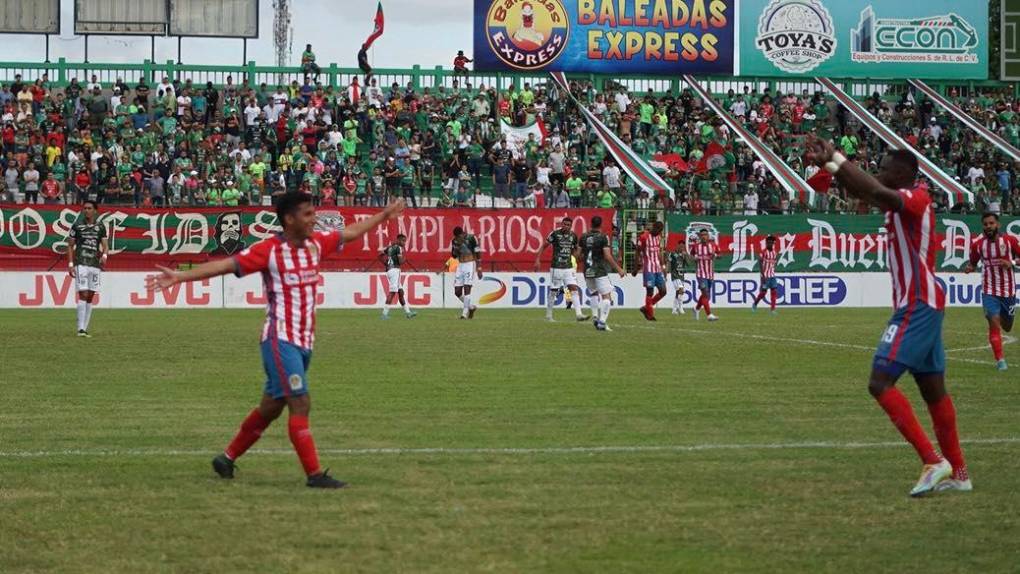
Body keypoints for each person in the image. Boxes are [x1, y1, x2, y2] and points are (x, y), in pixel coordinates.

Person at [145, 193, 406, 489]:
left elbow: (351, 232)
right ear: (289, 219)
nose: (314, 219)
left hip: (304, 341)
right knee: (300, 401)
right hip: (280, 339)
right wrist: (180, 277)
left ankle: (226, 458)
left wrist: (384, 215)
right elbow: (226, 265)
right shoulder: (268, 250)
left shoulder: (316, 244)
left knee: (271, 407)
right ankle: (315, 475)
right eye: (307, 214)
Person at [805, 138, 969, 496]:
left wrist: (837, 157)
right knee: (933, 391)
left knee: (880, 381)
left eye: (884, 168)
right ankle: (959, 472)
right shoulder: (898, 201)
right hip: (921, 301)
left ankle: (933, 460)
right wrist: (831, 166)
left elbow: (876, 192)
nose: (878, 173)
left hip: (918, 303)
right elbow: (861, 189)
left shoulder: (917, 198)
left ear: (904, 174)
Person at [965, 212, 1018, 371]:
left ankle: (1002, 316)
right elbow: (973, 262)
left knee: (1007, 326)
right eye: (986, 224)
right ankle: (1000, 360)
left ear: (998, 224)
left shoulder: (1010, 241)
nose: (988, 226)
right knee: (993, 321)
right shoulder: (978, 245)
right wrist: (970, 267)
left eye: (991, 223)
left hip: (1008, 291)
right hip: (989, 289)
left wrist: (1012, 262)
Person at [534, 216, 587, 322]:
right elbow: (544, 246)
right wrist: (537, 259)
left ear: (571, 226)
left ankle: (579, 314)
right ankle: (549, 315)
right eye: (564, 224)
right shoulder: (555, 234)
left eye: (568, 225)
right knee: (553, 291)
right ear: (561, 224)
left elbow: (575, 251)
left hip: (568, 267)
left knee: (574, 288)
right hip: (556, 267)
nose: (566, 226)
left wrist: (581, 256)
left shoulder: (573, 236)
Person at [67, 201, 107, 337]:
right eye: (85, 208)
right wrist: (71, 264)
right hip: (81, 263)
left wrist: (105, 255)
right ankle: (80, 329)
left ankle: (84, 327)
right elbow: (70, 246)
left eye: (89, 208)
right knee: (83, 294)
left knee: (90, 296)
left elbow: (105, 244)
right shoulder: (77, 226)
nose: (86, 210)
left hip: (95, 264)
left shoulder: (100, 227)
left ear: (95, 210)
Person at [580, 215, 625, 332]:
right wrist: (619, 269)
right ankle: (602, 322)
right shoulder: (603, 237)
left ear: (591, 224)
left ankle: (595, 316)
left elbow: (579, 255)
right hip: (599, 270)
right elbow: (607, 255)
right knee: (607, 296)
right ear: (601, 224)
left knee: (594, 293)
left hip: (587, 270)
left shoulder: (583, 237)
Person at [380, 234, 417, 320]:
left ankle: (408, 313)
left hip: (389, 270)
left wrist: (385, 263)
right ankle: (384, 314)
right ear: (398, 240)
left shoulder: (390, 247)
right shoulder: (399, 248)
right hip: (395, 271)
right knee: (392, 292)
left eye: (405, 241)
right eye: (403, 241)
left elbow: (380, 254)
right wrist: (404, 259)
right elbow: (400, 262)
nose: (404, 243)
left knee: (400, 292)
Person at [636, 221, 667, 321]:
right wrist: (637, 265)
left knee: (663, 291)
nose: (658, 232)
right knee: (650, 291)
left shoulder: (659, 237)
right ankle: (650, 315)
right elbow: (637, 251)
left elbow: (659, 253)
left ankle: (646, 308)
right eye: (657, 229)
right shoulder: (644, 237)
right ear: (653, 227)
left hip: (657, 268)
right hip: (648, 268)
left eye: (660, 230)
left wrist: (663, 266)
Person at [451, 226, 483, 319]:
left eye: (458, 237)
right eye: (456, 237)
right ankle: (471, 307)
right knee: (457, 292)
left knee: (467, 287)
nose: (457, 239)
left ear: (462, 234)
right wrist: (457, 247)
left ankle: (464, 313)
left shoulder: (472, 238)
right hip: (460, 265)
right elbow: (453, 255)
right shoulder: (455, 241)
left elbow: (478, 253)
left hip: (470, 264)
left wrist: (479, 268)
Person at [691, 229, 718, 321]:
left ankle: (696, 309)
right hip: (700, 273)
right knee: (705, 294)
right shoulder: (696, 246)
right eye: (702, 235)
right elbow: (691, 256)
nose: (703, 236)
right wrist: (694, 258)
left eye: (705, 235)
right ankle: (709, 315)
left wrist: (715, 256)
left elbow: (720, 254)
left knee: (706, 295)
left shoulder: (713, 246)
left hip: (710, 274)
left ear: (708, 236)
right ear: (699, 236)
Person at [751, 234, 780, 315]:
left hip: (772, 275)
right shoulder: (763, 252)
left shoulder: (774, 253)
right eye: (769, 242)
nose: (770, 244)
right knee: (763, 293)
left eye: (772, 243)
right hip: (765, 276)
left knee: (774, 292)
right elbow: (760, 262)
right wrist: (762, 276)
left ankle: (772, 310)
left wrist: (773, 270)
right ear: (766, 243)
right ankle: (755, 303)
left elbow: (775, 262)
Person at [667, 242, 690, 316]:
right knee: (681, 290)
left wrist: (685, 256)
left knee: (678, 292)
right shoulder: (672, 254)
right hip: (675, 275)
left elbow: (688, 264)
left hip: (681, 276)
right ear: (677, 246)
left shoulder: (683, 255)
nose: (681, 248)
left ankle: (674, 309)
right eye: (680, 246)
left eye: (683, 247)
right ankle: (681, 308)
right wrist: (667, 272)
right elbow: (669, 262)